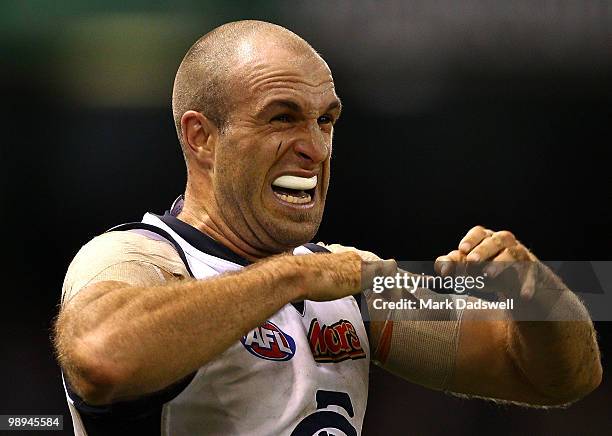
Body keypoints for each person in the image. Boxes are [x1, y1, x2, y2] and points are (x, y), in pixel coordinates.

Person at [53, 20, 602, 436]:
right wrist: (288, 279)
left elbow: (555, 377)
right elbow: (102, 356)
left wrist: (535, 289)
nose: (315, 149)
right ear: (202, 137)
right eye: (282, 117)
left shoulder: (348, 283)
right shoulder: (137, 258)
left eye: (326, 120)